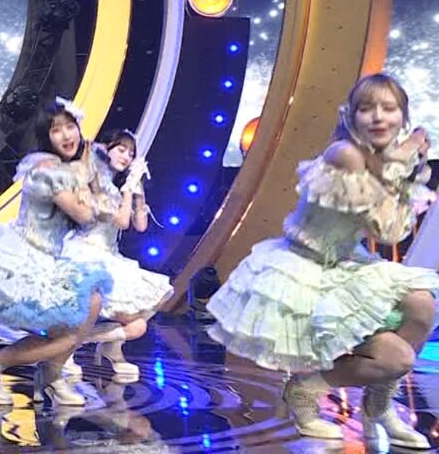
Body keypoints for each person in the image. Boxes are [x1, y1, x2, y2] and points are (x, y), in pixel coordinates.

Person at [208, 73, 437, 447]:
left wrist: (402, 168)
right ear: (351, 115)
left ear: (402, 116)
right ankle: (305, 390)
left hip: (347, 264)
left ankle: (377, 408)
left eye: (389, 108)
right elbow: (381, 225)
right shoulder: (345, 154)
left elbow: (394, 231)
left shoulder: (385, 160)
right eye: (367, 108)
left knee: (423, 305)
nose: (378, 117)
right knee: (397, 359)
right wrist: (405, 155)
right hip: (307, 271)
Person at [0, 98, 112, 406]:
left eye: (71, 127)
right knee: (69, 331)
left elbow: (104, 214)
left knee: (89, 304)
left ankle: (51, 375)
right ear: (46, 136)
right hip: (25, 256)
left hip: (50, 257)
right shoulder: (47, 169)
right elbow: (86, 215)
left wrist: (89, 176)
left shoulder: (68, 170)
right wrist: (88, 176)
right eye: (56, 130)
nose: (66, 135)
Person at [60, 130, 172, 381]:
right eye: (121, 150)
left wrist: (138, 191)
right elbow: (122, 221)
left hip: (110, 255)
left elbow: (140, 225)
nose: (126, 156)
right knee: (86, 309)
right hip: (85, 252)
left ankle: (105, 346)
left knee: (138, 324)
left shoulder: (117, 187)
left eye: (131, 153)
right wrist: (128, 190)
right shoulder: (96, 182)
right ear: (107, 150)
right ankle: (65, 348)